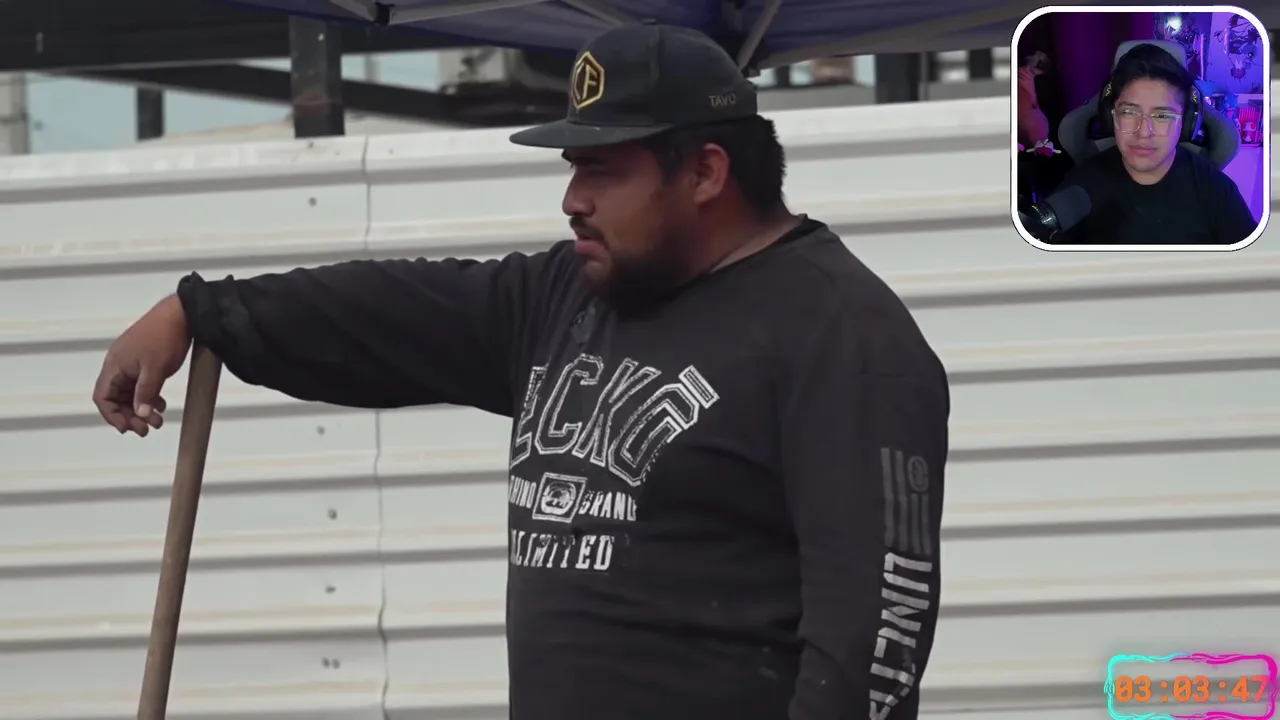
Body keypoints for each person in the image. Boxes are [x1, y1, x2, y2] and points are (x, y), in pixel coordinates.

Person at [93, 23, 949, 720]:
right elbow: (389, 311)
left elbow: (873, 641)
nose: (572, 198)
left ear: (705, 172)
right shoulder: (566, 298)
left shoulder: (844, 338)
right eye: (573, 167)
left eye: (602, 168)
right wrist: (199, 312)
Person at [1050, 43, 1256, 245]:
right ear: (1111, 117)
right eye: (1129, 112)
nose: (1143, 133)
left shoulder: (1218, 193)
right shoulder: (1078, 187)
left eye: (1162, 116)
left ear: (1185, 124)